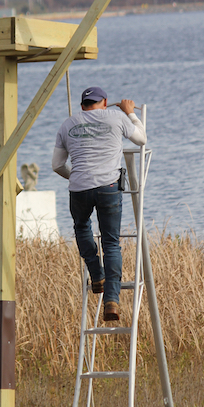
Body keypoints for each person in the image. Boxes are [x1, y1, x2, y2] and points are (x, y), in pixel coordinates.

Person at [52, 85, 146, 322]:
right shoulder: (116, 117)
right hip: (108, 187)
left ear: (82, 106)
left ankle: (96, 274)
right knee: (111, 243)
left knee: (81, 227)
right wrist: (130, 112)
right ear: (104, 102)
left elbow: (57, 165)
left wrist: (77, 176)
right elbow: (141, 139)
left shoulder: (67, 124)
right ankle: (112, 300)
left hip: (79, 189)